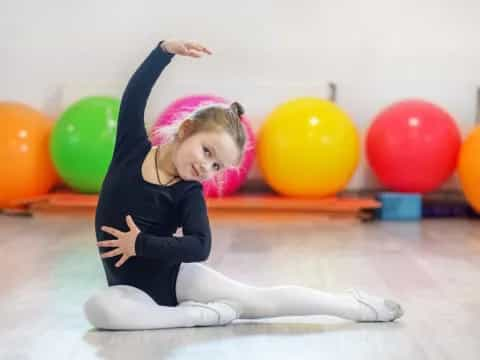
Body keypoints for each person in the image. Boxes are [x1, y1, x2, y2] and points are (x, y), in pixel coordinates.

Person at [84, 39, 404, 330]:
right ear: (185, 129)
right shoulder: (131, 150)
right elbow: (134, 96)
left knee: (260, 301)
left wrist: (140, 244)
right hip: (127, 290)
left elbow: (200, 246)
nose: (205, 166)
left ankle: (352, 305)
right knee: (101, 310)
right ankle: (196, 316)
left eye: (216, 166)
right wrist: (164, 51)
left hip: (175, 279)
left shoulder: (188, 191)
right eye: (206, 151)